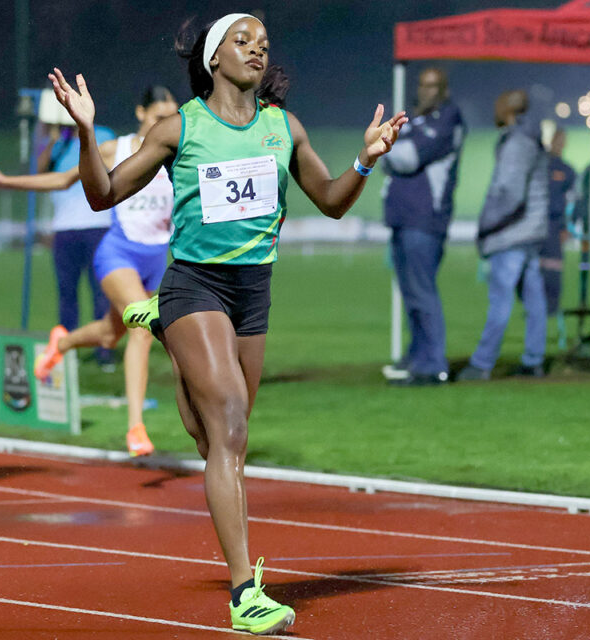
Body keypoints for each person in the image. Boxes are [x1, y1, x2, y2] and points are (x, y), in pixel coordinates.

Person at [47, 13, 406, 635]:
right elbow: (101, 194)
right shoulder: (178, 127)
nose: (257, 50)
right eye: (243, 41)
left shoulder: (283, 127)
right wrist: (84, 131)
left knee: (213, 439)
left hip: (253, 295)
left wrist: (365, 160)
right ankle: (245, 594)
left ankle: (165, 330)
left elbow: (331, 201)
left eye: (264, 44)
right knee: (232, 424)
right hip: (196, 284)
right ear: (215, 57)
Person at [0, 86, 179, 457]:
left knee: (109, 334)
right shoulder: (117, 149)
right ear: (140, 113)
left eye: (171, 117)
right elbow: (64, 179)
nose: (166, 124)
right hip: (118, 255)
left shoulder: (178, 153)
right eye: (158, 116)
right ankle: (136, 427)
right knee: (143, 328)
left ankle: (62, 344)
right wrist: (6, 182)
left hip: (156, 260)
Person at [378, 67, 465, 385]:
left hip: (425, 220)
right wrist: (387, 149)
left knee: (422, 292)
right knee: (411, 294)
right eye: (423, 85)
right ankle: (417, 357)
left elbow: (409, 157)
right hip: (403, 219)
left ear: (444, 90)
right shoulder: (416, 120)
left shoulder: (449, 119)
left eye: (433, 86)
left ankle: (432, 365)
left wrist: (384, 149)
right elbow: (390, 151)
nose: (426, 91)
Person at [456, 89, 548, 381]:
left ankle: (482, 364)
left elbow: (509, 193)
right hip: (531, 231)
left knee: (501, 301)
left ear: (508, 109)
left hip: (511, 234)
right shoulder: (530, 138)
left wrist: (486, 226)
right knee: (534, 302)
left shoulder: (517, 143)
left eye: (498, 105)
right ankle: (534, 360)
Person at [37, 92, 118, 368]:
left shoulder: (103, 134)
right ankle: (64, 349)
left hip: (99, 226)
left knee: (102, 292)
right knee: (66, 294)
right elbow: (40, 171)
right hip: (64, 229)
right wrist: (52, 139)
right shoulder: (56, 142)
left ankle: (104, 352)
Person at [539, 122, 576, 317]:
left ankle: (551, 307)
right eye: (557, 140)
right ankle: (535, 305)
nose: (559, 144)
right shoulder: (540, 167)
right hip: (536, 224)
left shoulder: (567, 171)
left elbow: (575, 201)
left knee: (553, 267)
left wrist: (567, 227)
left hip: (555, 225)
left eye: (562, 141)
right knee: (535, 267)